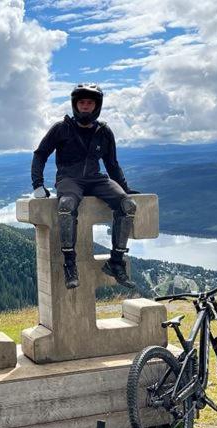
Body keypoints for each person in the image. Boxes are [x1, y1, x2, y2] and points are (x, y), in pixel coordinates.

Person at [30, 83, 139, 290]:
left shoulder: (104, 131)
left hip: (96, 178)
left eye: (90, 102)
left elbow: (112, 164)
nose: (86, 106)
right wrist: (38, 184)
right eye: (82, 102)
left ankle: (115, 262)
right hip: (69, 179)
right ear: (75, 105)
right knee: (66, 205)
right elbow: (40, 154)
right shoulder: (61, 128)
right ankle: (70, 265)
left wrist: (124, 188)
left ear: (97, 105)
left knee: (128, 206)